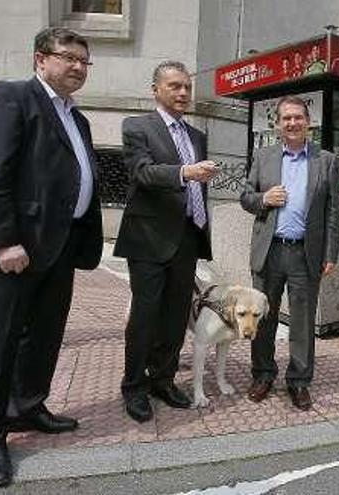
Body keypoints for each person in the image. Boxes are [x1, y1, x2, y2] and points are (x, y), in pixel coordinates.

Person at [0, 27, 104, 487]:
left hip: (57, 250)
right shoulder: (11, 97)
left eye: (85, 61)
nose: (78, 67)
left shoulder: (76, 119)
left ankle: (28, 407)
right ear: (41, 59)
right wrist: (2, 241)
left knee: (43, 337)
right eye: (70, 58)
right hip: (13, 250)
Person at [114, 61, 217, 423]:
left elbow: (198, 188)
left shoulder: (196, 135)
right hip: (148, 239)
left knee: (175, 317)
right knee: (145, 316)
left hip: (187, 237)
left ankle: (163, 380)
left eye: (187, 86)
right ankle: (134, 387)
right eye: (174, 86)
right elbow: (141, 172)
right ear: (155, 89)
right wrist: (185, 172)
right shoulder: (137, 126)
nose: (183, 93)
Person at [240, 96, 339, 411]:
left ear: (308, 122)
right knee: (262, 318)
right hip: (268, 251)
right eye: (286, 118)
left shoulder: (325, 160)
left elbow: (332, 212)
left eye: (298, 117)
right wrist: (264, 198)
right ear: (277, 124)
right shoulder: (263, 156)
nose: (292, 123)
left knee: (302, 322)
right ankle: (263, 375)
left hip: (304, 254)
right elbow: (245, 197)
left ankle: (298, 381)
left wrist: (331, 253)